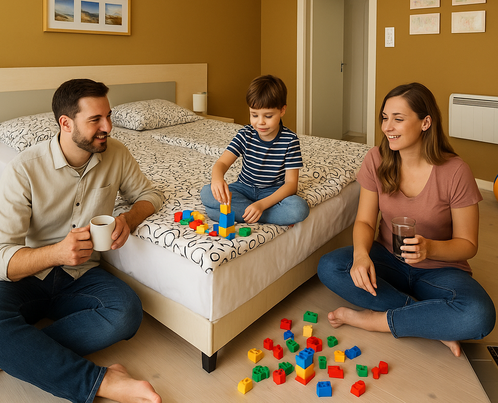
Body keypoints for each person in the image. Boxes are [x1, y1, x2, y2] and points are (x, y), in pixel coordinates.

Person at [0, 79, 164, 403]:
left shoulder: (116, 154)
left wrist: (127, 219)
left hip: (82, 275)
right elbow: (2, 257)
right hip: (29, 275)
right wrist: (56, 254)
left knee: (127, 312)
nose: (108, 127)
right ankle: (104, 382)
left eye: (109, 116)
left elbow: (151, 194)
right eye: (96, 120)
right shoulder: (23, 169)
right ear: (65, 123)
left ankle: (16, 351)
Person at [317, 82, 496, 357]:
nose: (387, 127)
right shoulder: (376, 159)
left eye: (398, 119)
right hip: (387, 259)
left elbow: (468, 244)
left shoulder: (455, 171)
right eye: (385, 118)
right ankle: (428, 320)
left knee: (478, 315)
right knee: (331, 266)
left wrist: (430, 248)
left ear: (426, 122)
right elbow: (365, 222)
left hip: (439, 269)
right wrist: (362, 255)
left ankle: (377, 320)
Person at [200, 74, 310, 225]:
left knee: (299, 209)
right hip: (243, 188)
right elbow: (222, 164)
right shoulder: (245, 134)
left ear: (282, 110)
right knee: (207, 193)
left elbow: (291, 184)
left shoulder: (290, 140)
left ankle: (248, 213)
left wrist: (261, 205)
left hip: (272, 193)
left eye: (268, 116)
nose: (260, 122)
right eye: (254, 115)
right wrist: (217, 178)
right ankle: (263, 215)